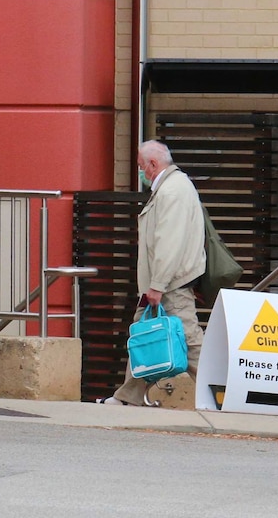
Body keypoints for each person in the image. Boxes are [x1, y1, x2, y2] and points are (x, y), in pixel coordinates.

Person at [97, 140, 205, 406]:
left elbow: (168, 242)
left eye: (142, 167)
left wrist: (157, 284)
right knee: (143, 333)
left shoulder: (172, 191)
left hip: (170, 284)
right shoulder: (174, 188)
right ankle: (127, 397)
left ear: (153, 165)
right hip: (166, 283)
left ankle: (224, 390)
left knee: (189, 342)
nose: (141, 173)